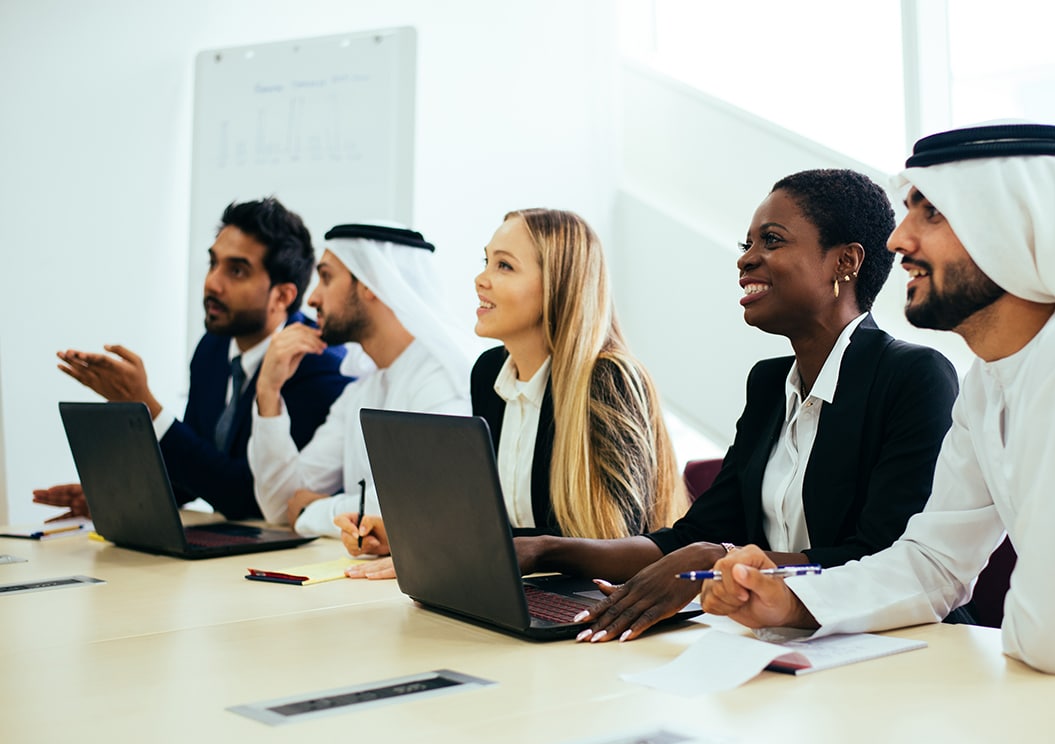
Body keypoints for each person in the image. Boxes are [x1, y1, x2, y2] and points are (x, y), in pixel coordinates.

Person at [702, 123, 1055, 674]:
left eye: (931, 213)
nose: (897, 240)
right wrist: (792, 599)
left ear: (1014, 225)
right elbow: (933, 563)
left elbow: (1054, 638)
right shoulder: (994, 378)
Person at [518, 169, 961, 642]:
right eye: (746, 244)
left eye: (771, 240)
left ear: (845, 262)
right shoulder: (769, 384)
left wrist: (721, 559)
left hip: (904, 645)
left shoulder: (913, 376)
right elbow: (690, 539)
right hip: (785, 645)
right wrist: (546, 550)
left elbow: (883, 556)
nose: (746, 260)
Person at [338, 208, 688, 578]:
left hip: (599, 601)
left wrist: (453, 553)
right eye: (486, 261)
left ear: (558, 283)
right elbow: (495, 525)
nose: (480, 279)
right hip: (525, 592)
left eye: (504, 266)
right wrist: (410, 540)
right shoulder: (488, 372)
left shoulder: (609, 378)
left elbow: (619, 538)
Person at [36, 198, 351, 521]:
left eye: (237, 271)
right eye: (213, 263)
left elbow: (250, 498)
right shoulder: (213, 347)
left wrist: (147, 407)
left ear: (282, 296)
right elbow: (197, 473)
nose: (212, 282)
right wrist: (120, 495)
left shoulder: (319, 365)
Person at [248, 223, 472, 534]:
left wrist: (314, 510)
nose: (312, 298)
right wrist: (268, 391)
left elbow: (420, 508)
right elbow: (279, 504)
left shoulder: (441, 379)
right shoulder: (360, 389)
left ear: (370, 283)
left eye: (326, 278)